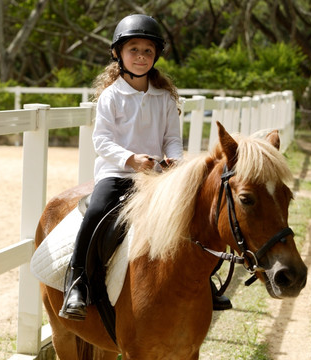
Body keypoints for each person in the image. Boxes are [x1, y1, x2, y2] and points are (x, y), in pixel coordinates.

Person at [59, 14, 230, 321]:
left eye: (147, 51)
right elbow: (102, 140)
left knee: (201, 215)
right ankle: (78, 282)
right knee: (97, 211)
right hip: (118, 173)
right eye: (133, 49)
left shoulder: (163, 98)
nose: (140, 56)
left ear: (156, 56)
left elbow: (172, 139)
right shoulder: (111, 97)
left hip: (157, 177)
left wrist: (174, 161)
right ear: (118, 54)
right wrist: (131, 159)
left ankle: (206, 283)